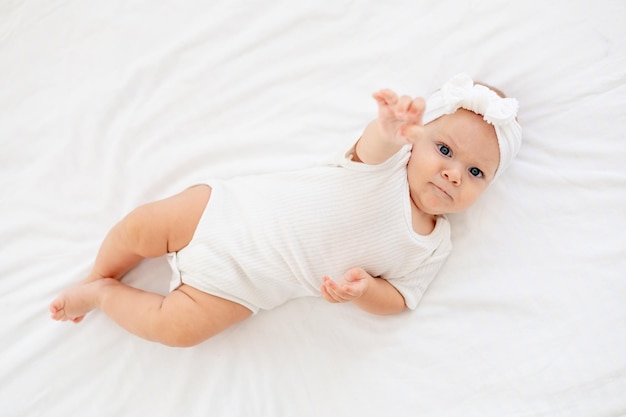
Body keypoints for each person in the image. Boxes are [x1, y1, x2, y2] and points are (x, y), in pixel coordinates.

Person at [49, 73, 522, 347]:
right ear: (415, 142)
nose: (454, 174)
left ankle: (102, 297)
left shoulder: (433, 246)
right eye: (444, 149)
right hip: (222, 214)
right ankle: (99, 272)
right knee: (139, 227)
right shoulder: (388, 164)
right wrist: (388, 126)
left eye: (476, 173)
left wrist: (367, 291)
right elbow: (371, 147)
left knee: (177, 330)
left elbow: (401, 301)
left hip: (241, 287)